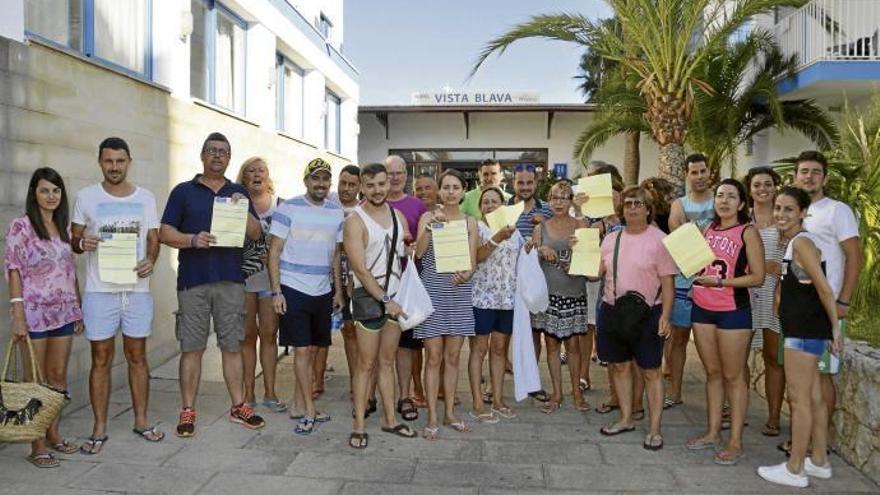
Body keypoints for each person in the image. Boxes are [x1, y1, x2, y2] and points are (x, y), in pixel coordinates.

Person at [159, 132, 265, 437]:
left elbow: (257, 235)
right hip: (193, 281)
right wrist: (192, 240)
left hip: (231, 280)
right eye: (212, 151)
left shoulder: (238, 191)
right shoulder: (183, 192)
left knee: (232, 346)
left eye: (223, 152)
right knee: (191, 348)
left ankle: (238, 406)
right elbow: (165, 232)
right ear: (202, 156)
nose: (218, 156)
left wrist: (241, 208)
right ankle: (188, 409)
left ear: (229, 159)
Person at [71, 137, 164, 454]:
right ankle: (99, 427)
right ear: (100, 162)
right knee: (101, 360)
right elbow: (74, 238)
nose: (114, 166)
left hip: (137, 291)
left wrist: (151, 260)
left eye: (120, 161)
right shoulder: (86, 196)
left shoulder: (146, 198)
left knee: (137, 357)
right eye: (108, 161)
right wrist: (84, 243)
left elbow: (154, 238)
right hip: (100, 292)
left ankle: (141, 420)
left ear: (129, 161)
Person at [757, 187, 841, 488]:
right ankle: (819, 461)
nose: (780, 214)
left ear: (803, 213)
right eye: (778, 208)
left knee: (800, 400)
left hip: (804, 332)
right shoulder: (796, 242)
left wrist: (834, 327)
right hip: (805, 330)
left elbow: (824, 287)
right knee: (815, 398)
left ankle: (795, 469)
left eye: (789, 209)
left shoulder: (803, 242)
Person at [6, 167, 84, 468]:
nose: (51, 196)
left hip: (63, 313)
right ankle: (36, 444)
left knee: (58, 379)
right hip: (34, 315)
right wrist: (17, 314)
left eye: (56, 190)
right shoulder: (21, 227)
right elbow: (14, 269)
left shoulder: (65, 228)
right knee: (35, 382)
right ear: (34, 194)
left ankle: (53, 433)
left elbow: (69, 271)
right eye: (44, 190)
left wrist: (76, 307)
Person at [686, 178, 765, 465]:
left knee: (734, 376)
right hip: (702, 307)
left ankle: (735, 441)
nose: (724, 200)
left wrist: (721, 282)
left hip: (733, 309)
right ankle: (712, 432)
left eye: (731, 196)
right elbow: (698, 264)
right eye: (720, 195)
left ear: (742, 203)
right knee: (713, 373)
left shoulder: (748, 232)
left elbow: (758, 277)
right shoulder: (707, 229)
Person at [594, 185, 676, 450]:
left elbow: (668, 283)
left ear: (648, 209)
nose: (632, 208)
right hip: (613, 309)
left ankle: (654, 429)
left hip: (648, 313)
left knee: (651, 371)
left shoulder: (660, 240)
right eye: (628, 203)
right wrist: (580, 251)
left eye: (638, 204)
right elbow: (595, 273)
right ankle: (626, 418)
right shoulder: (610, 239)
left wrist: (665, 316)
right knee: (618, 366)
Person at [267, 157, 343, 434]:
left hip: (322, 290)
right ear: (306, 181)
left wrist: (338, 291)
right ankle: (309, 410)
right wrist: (276, 291)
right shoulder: (288, 209)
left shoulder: (336, 212)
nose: (320, 183)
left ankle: (298, 405)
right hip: (293, 287)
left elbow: (336, 254)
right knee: (300, 350)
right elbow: (273, 252)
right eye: (316, 178)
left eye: (325, 179)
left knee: (312, 350)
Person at [344, 162, 417, 448]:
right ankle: (359, 425)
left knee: (386, 362)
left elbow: (399, 254)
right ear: (362, 186)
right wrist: (386, 301)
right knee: (366, 364)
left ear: (390, 184)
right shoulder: (355, 220)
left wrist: (412, 247)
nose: (377, 190)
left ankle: (390, 419)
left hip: (395, 300)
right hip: (370, 301)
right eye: (371, 185)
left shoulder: (398, 216)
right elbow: (360, 270)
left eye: (382, 184)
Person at [792, 150, 861, 449]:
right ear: (795, 176)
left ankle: (822, 440)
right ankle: (804, 437)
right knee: (802, 379)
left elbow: (854, 256)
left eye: (815, 171)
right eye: (804, 171)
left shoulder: (837, 211)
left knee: (822, 377)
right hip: (798, 308)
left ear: (825, 177)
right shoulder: (796, 211)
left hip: (825, 306)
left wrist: (843, 301)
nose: (809, 176)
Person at [414, 169, 481, 439]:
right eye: (446, 187)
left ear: (463, 192)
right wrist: (431, 228)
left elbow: (473, 260)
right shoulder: (428, 217)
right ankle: (431, 415)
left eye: (456, 187)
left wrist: (468, 272)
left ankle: (450, 412)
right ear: (439, 191)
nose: (451, 191)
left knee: (453, 357)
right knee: (433, 357)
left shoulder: (470, 222)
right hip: (432, 292)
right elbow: (418, 254)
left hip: (459, 292)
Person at [532, 181, 589, 413]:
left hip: (574, 291)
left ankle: (576, 392)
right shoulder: (540, 228)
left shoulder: (581, 225)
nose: (558, 202)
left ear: (571, 201)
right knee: (552, 345)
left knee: (573, 346)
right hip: (549, 294)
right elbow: (529, 262)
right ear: (549, 200)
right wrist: (539, 250)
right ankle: (557, 394)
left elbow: (591, 256)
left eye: (564, 197)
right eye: (555, 197)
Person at [665, 154, 715, 409]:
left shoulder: (722, 200)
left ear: (710, 172)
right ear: (687, 175)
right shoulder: (678, 204)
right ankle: (674, 391)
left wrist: (695, 230)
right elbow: (679, 235)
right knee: (679, 338)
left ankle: (721, 398)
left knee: (714, 343)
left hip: (717, 283)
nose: (699, 177)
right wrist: (705, 233)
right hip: (685, 282)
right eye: (694, 172)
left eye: (702, 171)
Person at [236, 156, 286, 413]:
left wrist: (278, 254)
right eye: (251, 171)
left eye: (261, 170)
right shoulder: (235, 203)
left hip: (270, 279)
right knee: (246, 337)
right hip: (243, 279)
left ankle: (270, 392)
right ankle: (247, 393)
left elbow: (293, 241)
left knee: (268, 335)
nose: (256, 174)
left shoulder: (282, 206)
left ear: (269, 176)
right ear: (243, 177)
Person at [470, 186, 522, 421]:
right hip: (482, 298)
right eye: (486, 202)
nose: (490, 205)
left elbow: (522, 259)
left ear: (504, 206)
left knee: (500, 350)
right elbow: (476, 257)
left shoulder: (516, 232)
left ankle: (499, 399)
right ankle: (478, 402)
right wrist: (496, 237)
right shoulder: (477, 229)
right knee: (479, 350)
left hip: (507, 300)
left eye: (495, 201)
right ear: (481, 207)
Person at [383, 155, 427, 419]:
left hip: (409, 283)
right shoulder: (368, 205)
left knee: (405, 344)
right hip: (378, 284)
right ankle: (373, 396)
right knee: (376, 346)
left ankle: (404, 396)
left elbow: (424, 244)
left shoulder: (417, 206)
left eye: (400, 173)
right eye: (391, 173)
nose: (396, 178)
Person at [744, 166, 784, 437]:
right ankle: (737, 411)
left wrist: (778, 267)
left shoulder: (785, 219)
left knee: (773, 358)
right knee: (737, 359)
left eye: (767, 184)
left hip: (775, 294)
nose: (762, 189)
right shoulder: (741, 218)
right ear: (750, 189)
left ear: (775, 187)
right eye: (757, 184)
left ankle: (773, 417)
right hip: (745, 294)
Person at [509, 163, 553, 402]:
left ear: (536, 184)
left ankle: (532, 381)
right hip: (507, 281)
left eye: (529, 182)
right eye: (520, 182)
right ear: (513, 183)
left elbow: (561, 233)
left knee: (536, 332)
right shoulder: (503, 209)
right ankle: (499, 379)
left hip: (537, 279)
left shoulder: (547, 210)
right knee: (504, 334)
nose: (525, 187)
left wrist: (542, 225)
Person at [327, 165, 363, 402]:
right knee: (319, 332)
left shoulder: (364, 209)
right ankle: (313, 380)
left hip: (353, 279)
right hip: (324, 277)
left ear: (359, 187)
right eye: (343, 183)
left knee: (352, 331)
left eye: (352, 184)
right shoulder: (327, 203)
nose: (346, 188)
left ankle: (355, 382)